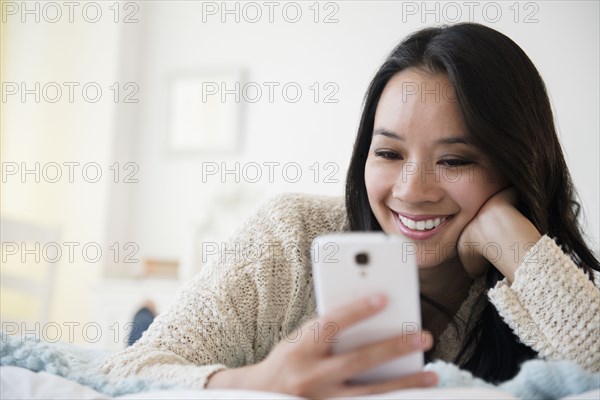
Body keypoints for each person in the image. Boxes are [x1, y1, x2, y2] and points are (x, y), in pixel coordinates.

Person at [100, 23, 600, 397]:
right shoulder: (292, 235)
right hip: (227, 339)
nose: (412, 190)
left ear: (515, 166)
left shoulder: (534, 272)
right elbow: (127, 371)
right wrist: (255, 382)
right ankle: (146, 313)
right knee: (145, 331)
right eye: (388, 153)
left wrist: (509, 240)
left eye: (455, 160)